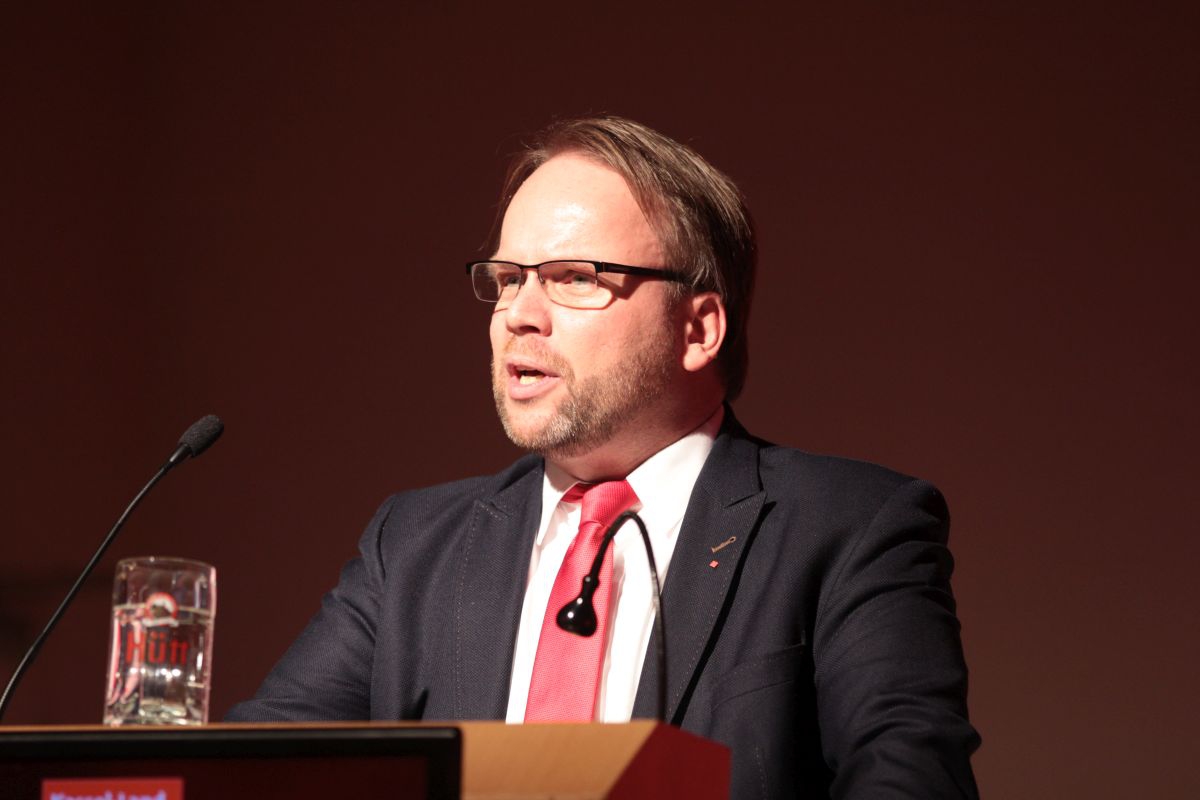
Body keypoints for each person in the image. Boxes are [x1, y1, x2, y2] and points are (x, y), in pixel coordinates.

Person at [228, 115, 981, 798]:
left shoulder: (847, 526)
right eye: (508, 280)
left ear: (698, 329)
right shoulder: (414, 545)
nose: (519, 315)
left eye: (574, 279)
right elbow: (252, 773)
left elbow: (911, 784)